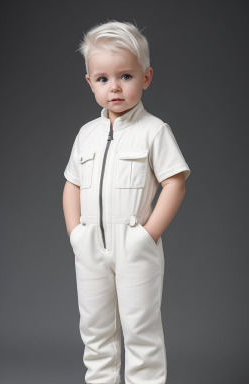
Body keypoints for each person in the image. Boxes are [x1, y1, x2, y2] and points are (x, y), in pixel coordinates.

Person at [63, 20, 191, 384]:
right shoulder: (86, 134)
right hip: (91, 248)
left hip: (134, 245)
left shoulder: (154, 131)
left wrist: (147, 235)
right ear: (90, 83)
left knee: (140, 331)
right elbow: (71, 184)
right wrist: (76, 234)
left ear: (146, 77)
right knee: (96, 331)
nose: (114, 87)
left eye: (126, 76)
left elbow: (175, 183)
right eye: (102, 79)